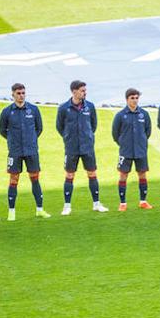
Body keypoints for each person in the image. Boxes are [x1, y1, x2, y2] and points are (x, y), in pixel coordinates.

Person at [0, 83, 50, 220]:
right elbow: (2, 131)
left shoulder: (33, 110)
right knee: (13, 180)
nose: (21, 96)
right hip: (14, 151)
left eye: (23, 93)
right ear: (13, 95)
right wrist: (13, 141)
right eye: (18, 93)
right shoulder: (7, 112)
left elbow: (39, 129)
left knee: (35, 179)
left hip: (31, 151)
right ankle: (11, 212)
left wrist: (30, 140)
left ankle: (39, 209)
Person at [55, 80, 105, 216]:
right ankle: (67, 206)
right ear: (74, 91)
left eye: (85, 90)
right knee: (69, 175)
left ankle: (96, 203)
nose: (85, 92)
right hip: (71, 148)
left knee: (92, 173)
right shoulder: (64, 108)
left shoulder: (90, 106)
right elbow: (59, 127)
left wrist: (88, 137)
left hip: (87, 147)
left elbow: (93, 125)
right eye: (82, 90)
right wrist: (68, 137)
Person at [111, 88, 153, 212]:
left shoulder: (144, 114)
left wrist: (141, 142)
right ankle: (123, 203)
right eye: (132, 98)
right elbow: (115, 134)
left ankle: (143, 201)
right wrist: (124, 144)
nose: (135, 100)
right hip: (126, 151)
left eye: (136, 98)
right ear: (127, 99)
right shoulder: (120, 115)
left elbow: (147, 131)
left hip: (141, 150)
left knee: (142, 175)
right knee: (123, 175)